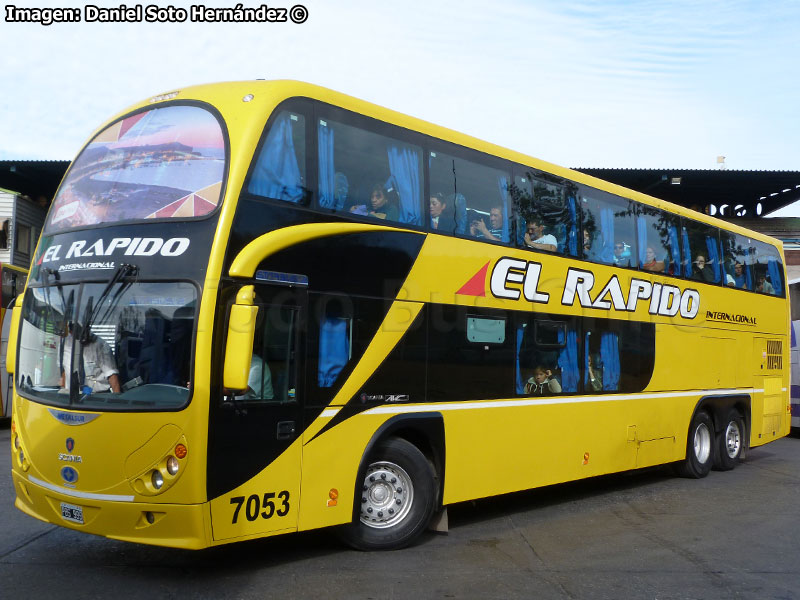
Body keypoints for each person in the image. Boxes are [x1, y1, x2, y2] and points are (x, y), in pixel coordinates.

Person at [60, 324, 121, 394]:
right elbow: (65, 370)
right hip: (72, 397)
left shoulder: (101, 345)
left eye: (84, 332)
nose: (82, 337)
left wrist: (117, 398)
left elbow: (112, 375)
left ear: (88, 328)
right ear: (71, 332)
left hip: (96, 397)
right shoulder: (65, 344)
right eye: (78, 334)